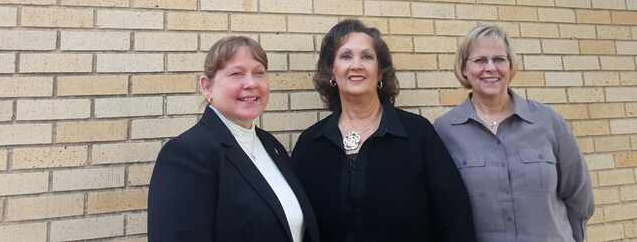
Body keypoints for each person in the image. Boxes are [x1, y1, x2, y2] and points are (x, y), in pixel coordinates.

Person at [291, 19, 475, 242]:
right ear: (332, 70)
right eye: (346, 56)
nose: (356, 65)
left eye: (367, 57)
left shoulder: (418, 134)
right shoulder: (311, 143)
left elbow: (454, 215)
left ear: (379, 73)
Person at [148, 36, 320, 242]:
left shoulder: (271, 146)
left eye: (259, 73)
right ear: (206, 86)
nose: (251, 83)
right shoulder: (186, 154)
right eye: (236, 74)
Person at [433, 25, 594, 242]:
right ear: (464, 69)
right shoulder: (445, 130)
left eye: (499, 59)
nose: (490, 68)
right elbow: (442, 209)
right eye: (480, 60)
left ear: (510, 66)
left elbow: (579, 197)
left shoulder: (547, 121)